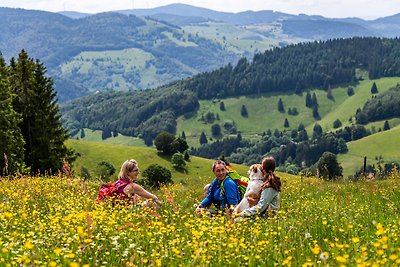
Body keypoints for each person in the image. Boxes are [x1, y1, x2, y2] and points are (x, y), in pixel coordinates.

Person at [235, 156, 281, 221]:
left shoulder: (269, 186)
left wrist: (243, 213)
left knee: (236, 220)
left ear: (263, 169)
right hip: (264, 215)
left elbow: (260, 208)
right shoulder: (270, 182)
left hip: (267, 218)